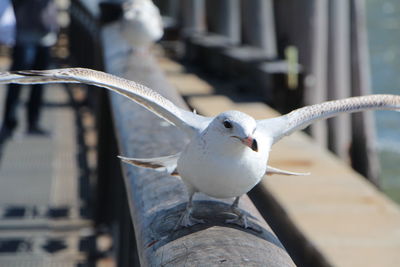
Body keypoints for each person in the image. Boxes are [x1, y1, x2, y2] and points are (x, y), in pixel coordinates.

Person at [0, 0, 58, 141]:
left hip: (45, 33)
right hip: (24, 32)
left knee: (40, 81)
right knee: (17, 81)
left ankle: (33, 123)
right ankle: (9, 125)